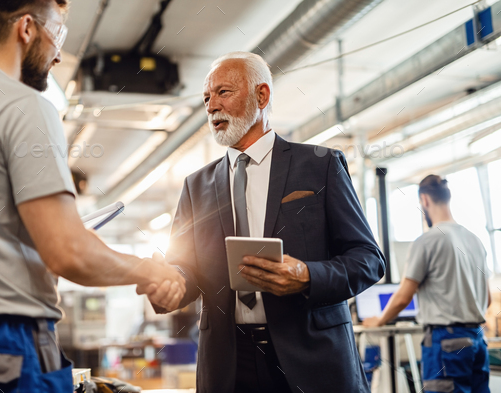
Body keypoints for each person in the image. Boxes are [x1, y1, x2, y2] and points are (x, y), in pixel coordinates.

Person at [0, 1, 184, 391]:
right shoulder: (22, 106)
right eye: (58, 33)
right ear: (26, 28)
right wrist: (151, 270)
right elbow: (67, 252)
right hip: (1, 347)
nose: (58, 54)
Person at [140, 51, 386, 393]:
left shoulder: (321, 165)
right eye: (207, 98)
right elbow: (188, 269)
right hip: (229, 364)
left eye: (223, 92)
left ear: (262, 95)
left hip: (313, 358)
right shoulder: (195, 186)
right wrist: (170, 285)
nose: (211, 106)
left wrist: (306, 276)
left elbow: (368, 259)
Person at [363, 175, 492, 393]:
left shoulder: (428, 241)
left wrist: (380, 320)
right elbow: (487, 299)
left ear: (424, 200)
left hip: (447, 343)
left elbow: (404, 296)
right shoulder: (475, 240)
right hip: (478, 340)